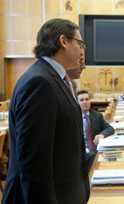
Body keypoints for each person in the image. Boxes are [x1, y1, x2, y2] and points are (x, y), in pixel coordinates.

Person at [2, 18, 89, 204]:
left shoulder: (56, 78)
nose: (82, 50)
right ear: (63, 41)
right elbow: (34, 165)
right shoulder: (40, 82)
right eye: (80, 43)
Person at [77, 90, 115, 171]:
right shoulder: (73, 118)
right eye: (82, 100)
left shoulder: (97, 115)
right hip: (80, 153)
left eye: (87, 99)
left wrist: (102, 135)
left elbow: (110, 129)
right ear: (77, 103)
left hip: (95, 152)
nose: (85, 102)